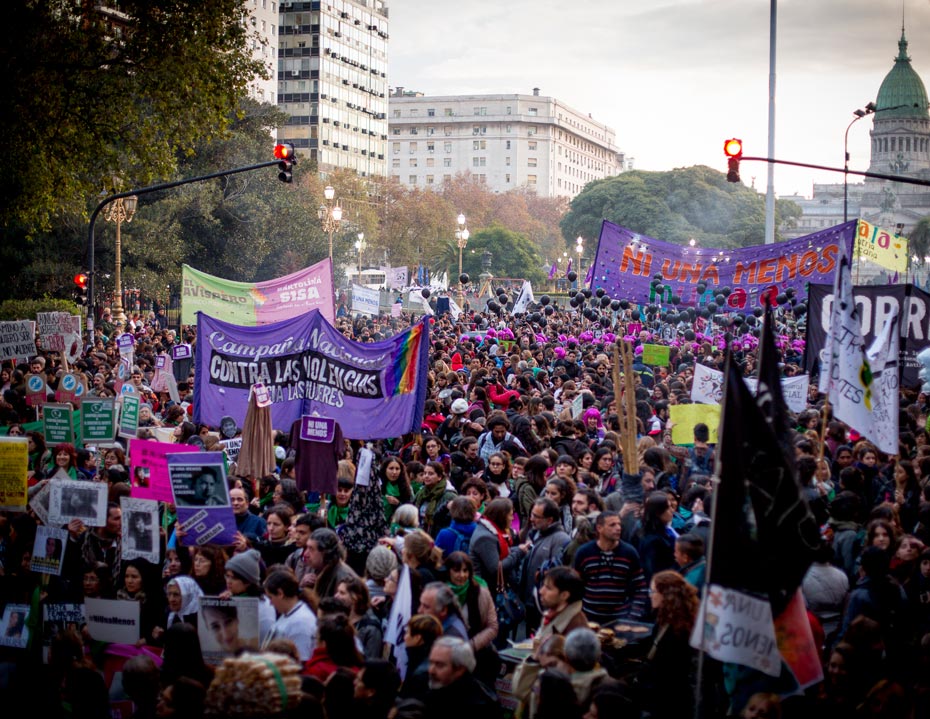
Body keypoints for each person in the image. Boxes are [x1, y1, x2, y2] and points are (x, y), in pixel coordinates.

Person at [572, 511, 648, 623]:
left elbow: (640, 587)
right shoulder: (584, 553)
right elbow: (575, 586)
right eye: (612, 525)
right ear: (599, 528)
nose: (618, 528)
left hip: (620, 620)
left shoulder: (629, 553)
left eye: (619, 524)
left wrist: (633, 616)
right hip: (589, 618)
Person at [423, 637, 502, 719]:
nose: (431, 670)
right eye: (431, 662)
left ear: (459, 669)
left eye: (439, 665)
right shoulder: (434, 689)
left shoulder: (480, 706)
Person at [263, 568, 318, 662]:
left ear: (280, 594)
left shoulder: (301, 622)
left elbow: (302, 660)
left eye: (270, 597)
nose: (270, 603)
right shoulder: (287, 613)